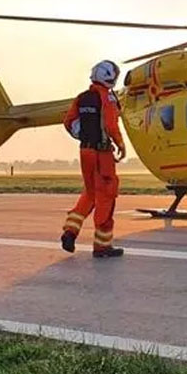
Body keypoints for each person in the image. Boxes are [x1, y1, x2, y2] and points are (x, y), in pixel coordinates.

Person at [60, 60, 126, 258]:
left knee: (90, 194)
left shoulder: (82, 98)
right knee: (106, 196)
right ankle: (102, 246)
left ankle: (70, 231)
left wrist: (84, 135)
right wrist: (120, 144)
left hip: (85, 152)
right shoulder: (107, 97)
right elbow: (111, 125)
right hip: (101, 155)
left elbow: (69, 122)